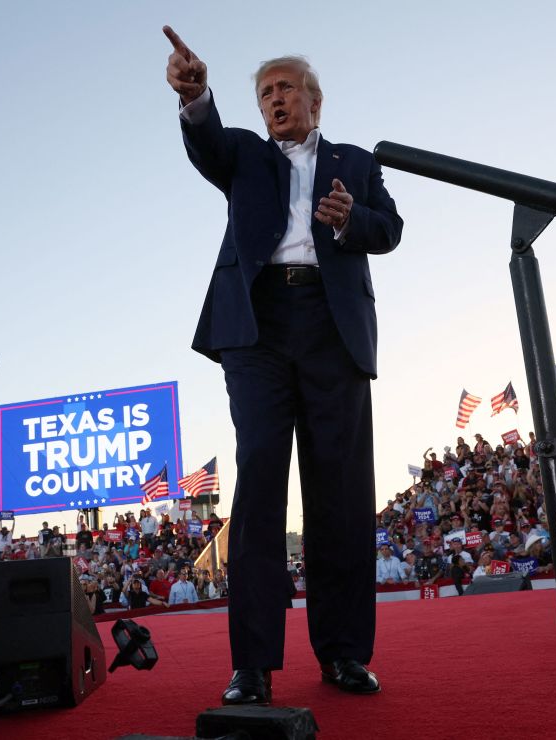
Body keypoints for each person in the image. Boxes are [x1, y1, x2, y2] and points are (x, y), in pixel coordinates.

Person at [164, 26, 402, 706]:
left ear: (314, 101)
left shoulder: (355, 163)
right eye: (264, 91)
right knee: (260, 487)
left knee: (342, 496)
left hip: (334, 330)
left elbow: (390, 230)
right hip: (258, 330)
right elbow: (205, 142)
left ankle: (345, 653)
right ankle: (253, 666)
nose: (274, 99)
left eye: (286, 87)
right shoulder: (243, 154)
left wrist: (351, 220)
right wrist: (195, 95)